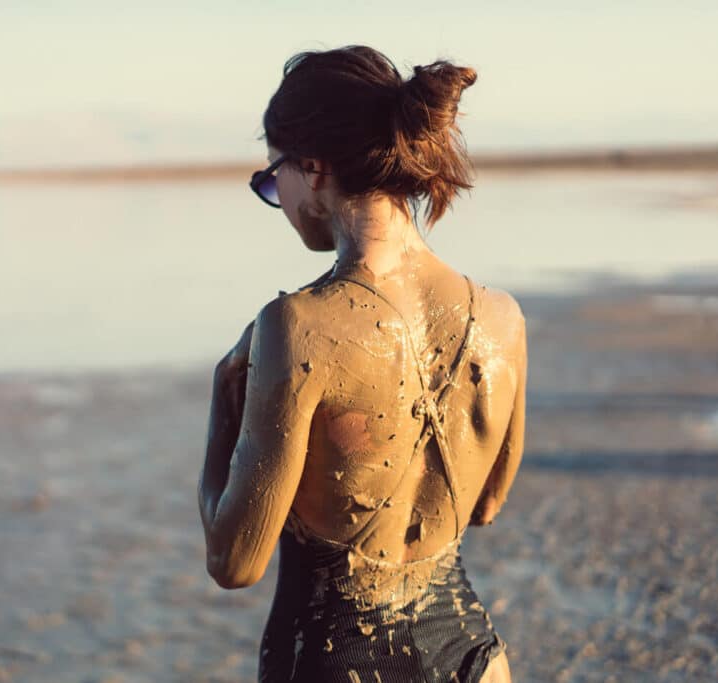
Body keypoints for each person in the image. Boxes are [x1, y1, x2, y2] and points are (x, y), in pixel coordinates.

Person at [198, 45, 527, 683]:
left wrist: (222, 400)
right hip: (473, 657)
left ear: (313, 167)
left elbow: (234, 563)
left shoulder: (298, 325)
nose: (279, 196)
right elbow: (485, 506)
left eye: (275, 177)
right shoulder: (502, 317)